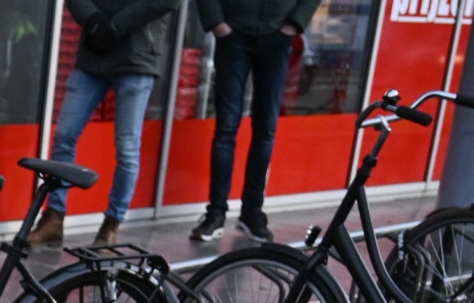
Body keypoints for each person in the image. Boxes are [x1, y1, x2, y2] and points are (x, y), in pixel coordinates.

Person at [27, 0, 176, 248]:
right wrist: (93, 19)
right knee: (65, 134)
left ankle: (111, 224)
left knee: (127, 148)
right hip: (93, 54)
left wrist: (113, 27)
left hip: (135, 57)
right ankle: (54, 216)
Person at [190, 0, 314, 243]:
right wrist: (216, 22)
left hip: (277, 37)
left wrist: (294, 24)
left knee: (265, 129)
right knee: (226, 128)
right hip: (233, 35)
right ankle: (215, 213)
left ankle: (251, 213)